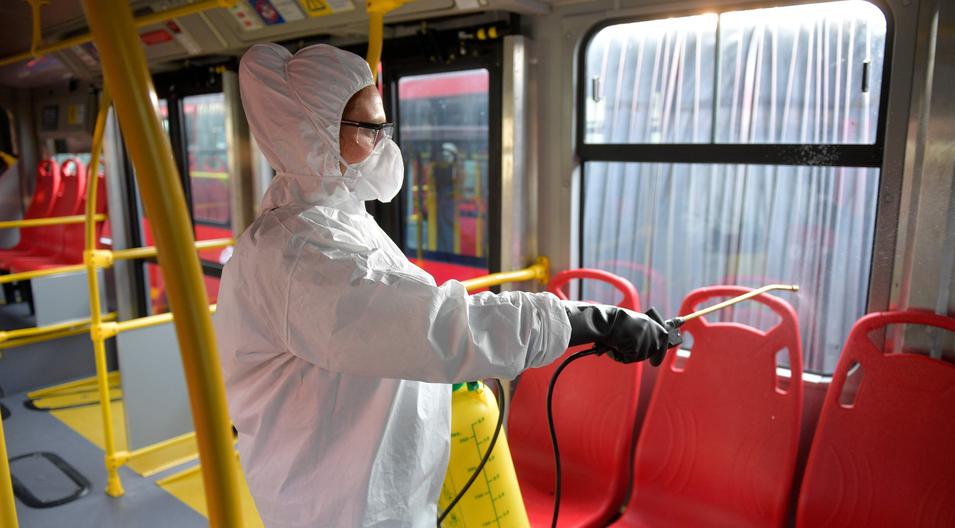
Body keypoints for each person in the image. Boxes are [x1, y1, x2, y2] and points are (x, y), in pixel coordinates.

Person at [215, 43, 671, 528]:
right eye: (370, 129)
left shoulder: (338, 221)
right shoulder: (298, 253)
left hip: (373, 498)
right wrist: (586, 321)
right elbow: (435, 327)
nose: (385, 144)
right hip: (336, 509)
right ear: (314, 133)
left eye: (384, 127)